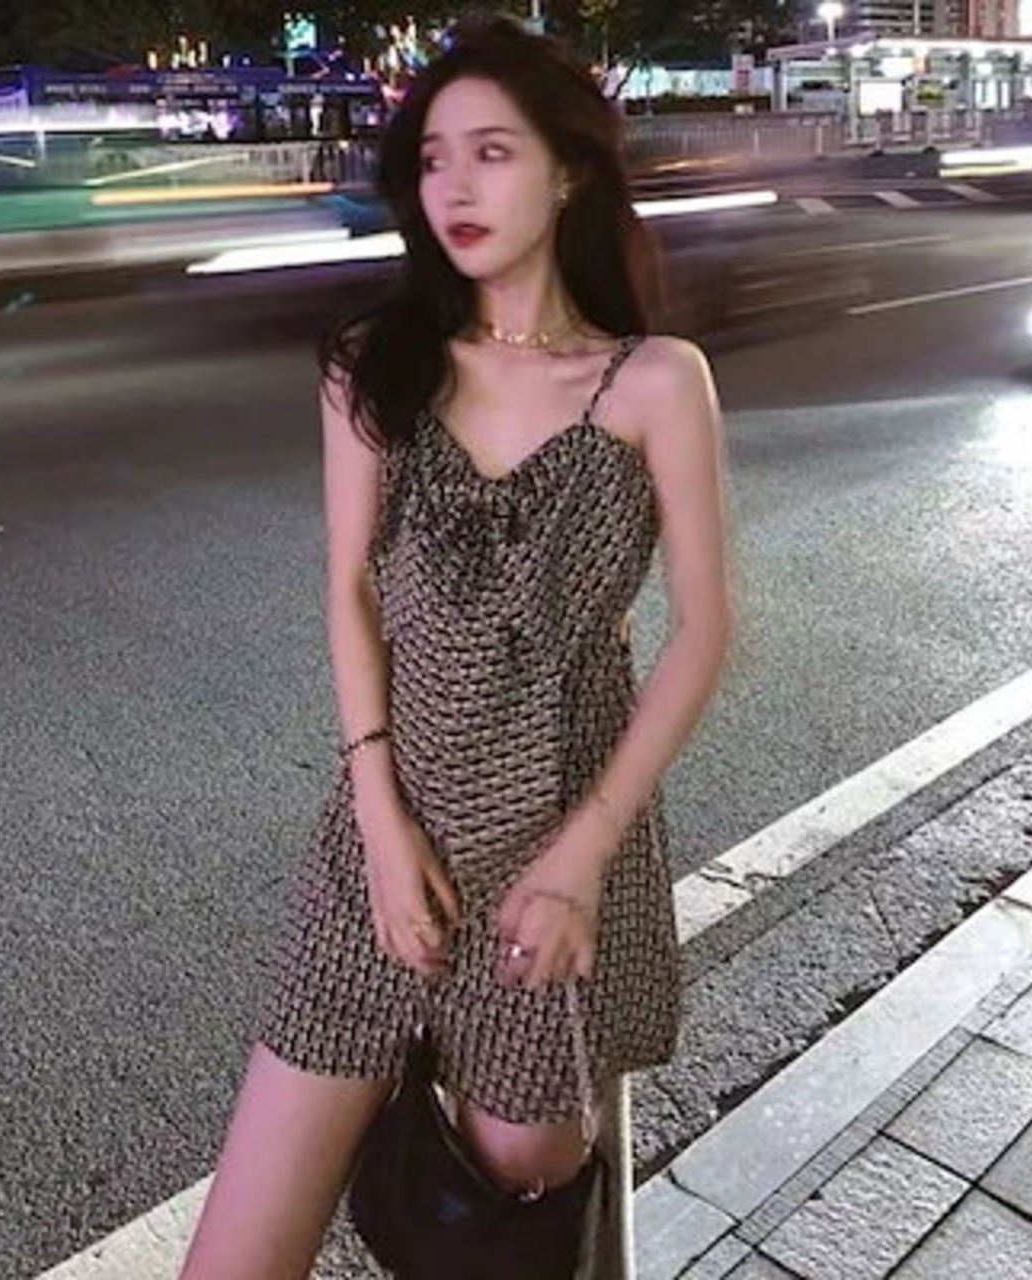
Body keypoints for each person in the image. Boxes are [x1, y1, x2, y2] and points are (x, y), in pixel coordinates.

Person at [178, 13, 731, 1279]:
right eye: (433, 159)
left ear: (569, 171)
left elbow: (702, 628)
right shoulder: (374, 366)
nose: (454, 188)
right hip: (384, 848)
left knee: (511, 1203)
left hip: (558, 853)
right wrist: (379, 818)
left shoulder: (652, 381)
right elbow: (349, 590)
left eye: (491, 151)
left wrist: (584, 853)